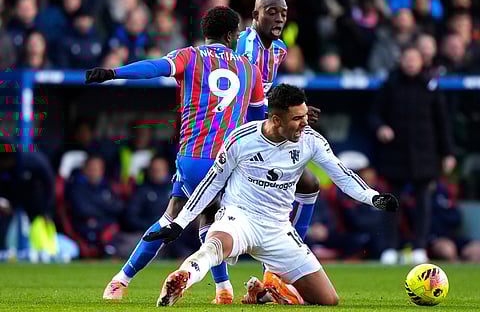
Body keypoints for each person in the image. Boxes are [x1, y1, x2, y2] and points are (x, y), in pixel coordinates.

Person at [144, 84, 399, 307]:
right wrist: (179, 222)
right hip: (239, 218)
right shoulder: (241, 139)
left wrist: (373, 197)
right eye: (297, 118)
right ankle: (183, 278)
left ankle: (269, 293)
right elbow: (212, 183)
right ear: (276, 120)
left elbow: (341, 174)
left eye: (305, 115)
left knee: (327, 300)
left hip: (278, 229)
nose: (305, 123)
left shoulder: (310, 140)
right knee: (215, 246)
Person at [85, 6, 265, 303]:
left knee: (172, 217)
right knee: (211, 222)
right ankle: (223, 290)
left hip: (193, 158)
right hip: (228, 162)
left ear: (206, 32)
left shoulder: (190, 56)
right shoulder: (249, 69)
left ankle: (120, 281)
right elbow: (259, 122)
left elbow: (155, 67)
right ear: (232, 35)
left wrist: (114, 73)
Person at [235, 0, 321, 297]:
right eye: (272, 12)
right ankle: (271, 271)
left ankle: (278, 268)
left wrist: (297, 111)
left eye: (283, 13)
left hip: (264, 127)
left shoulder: (280, 49)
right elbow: (247, 94)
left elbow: (271, 95)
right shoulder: (246, 45)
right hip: (240, 132)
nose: (279, 18)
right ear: (256, 15)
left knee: (309, 184)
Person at [369, 47, 456, 264]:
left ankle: (419, 247)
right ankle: (389, 248)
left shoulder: (430, 85)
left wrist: (447, 153)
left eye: (414, 59)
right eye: (406, 59)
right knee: (390, 203)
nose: (410, 63)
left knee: (424, 204)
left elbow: (442, 123)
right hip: (395, 154)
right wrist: (381, 127)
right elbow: (373, 115)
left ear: (421, 61)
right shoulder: (390, 84)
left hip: (424, 155)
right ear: (401, 61)